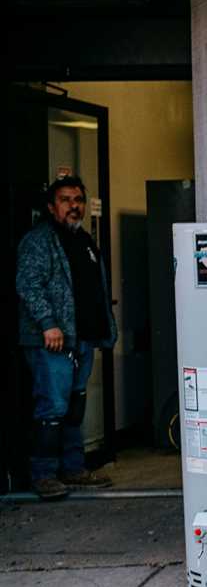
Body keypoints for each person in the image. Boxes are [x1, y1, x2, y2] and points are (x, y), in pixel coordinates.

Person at [15, 176, 116, 500]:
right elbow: (28, 284)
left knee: (75, 405)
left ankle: (74, 469)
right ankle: (44, 475)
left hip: (81, 339)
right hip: (53, 341)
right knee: (53, 406)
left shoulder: (84, 239)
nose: (74, 206)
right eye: (65, 200)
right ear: (51, 206)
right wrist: (48, 324)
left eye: (78, 200)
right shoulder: (39, 241)